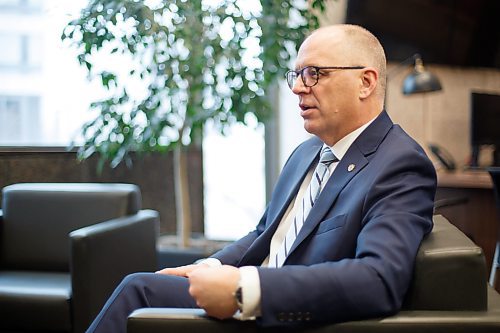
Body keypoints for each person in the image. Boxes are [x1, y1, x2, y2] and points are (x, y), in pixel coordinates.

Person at [86, 24, 437, 332]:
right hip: (249, 297)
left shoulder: (400, 164)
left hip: (283, 313)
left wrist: (244, 288)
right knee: (141, 288)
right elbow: (264, 234)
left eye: (314, 73)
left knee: (138, 293)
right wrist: (209, 266)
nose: (299, 88)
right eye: (297, 75)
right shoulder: (307, 153)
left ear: (365, 82)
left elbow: (379, 280)